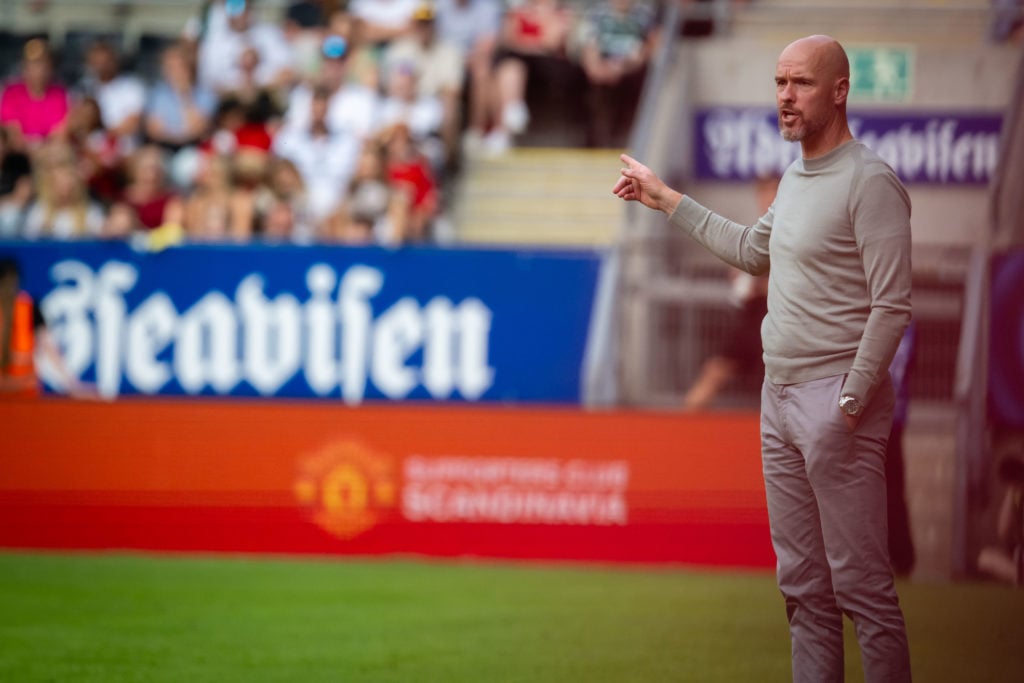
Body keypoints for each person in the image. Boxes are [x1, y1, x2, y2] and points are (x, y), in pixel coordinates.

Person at [613, 34, 913, 682]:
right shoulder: (799, 178)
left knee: (862, 589)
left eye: (800, 82)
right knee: (803, 588)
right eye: (779, 82)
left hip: (836, 402)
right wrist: (664, 197)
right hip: (778, 399)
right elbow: (753, 250)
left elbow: (893, 306)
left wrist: (851, 399)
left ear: (839, 91)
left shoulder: (871, 181)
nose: (784, 96)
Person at [681, 172, 776, 411]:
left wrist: (763, 284)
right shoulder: (755, 231)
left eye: (773, 193)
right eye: (763, 193)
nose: (768, 199)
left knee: (781, 387)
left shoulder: (792, 232)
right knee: (715, 371)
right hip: (752, 316)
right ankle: (680, 433)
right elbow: (739, 267)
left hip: (779, 319)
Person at [577, 0, 659, 148]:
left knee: (636, 90)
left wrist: (623, 68)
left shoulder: (644, 14)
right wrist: (598, 68)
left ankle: (627, 140)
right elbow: (589, 47)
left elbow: (651, 47)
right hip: (603, 69)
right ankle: (597, 141)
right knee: (592, 92)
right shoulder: (597, 13)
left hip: (633, 70)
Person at [886, 320, 917, 577]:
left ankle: (899, 556)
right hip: (895, 415)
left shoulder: (877, 319)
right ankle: (902, 556)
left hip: (876, 417)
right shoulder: (909, 325)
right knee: (893, 489)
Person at [0, 38, 70, 152]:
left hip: (50, 154)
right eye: (33, 65)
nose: (39, 71)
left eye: (43, 65)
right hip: (18, 155)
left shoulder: (59, 93)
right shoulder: (12, 92)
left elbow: (61, 132)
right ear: (24, 67)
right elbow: (11, 131)